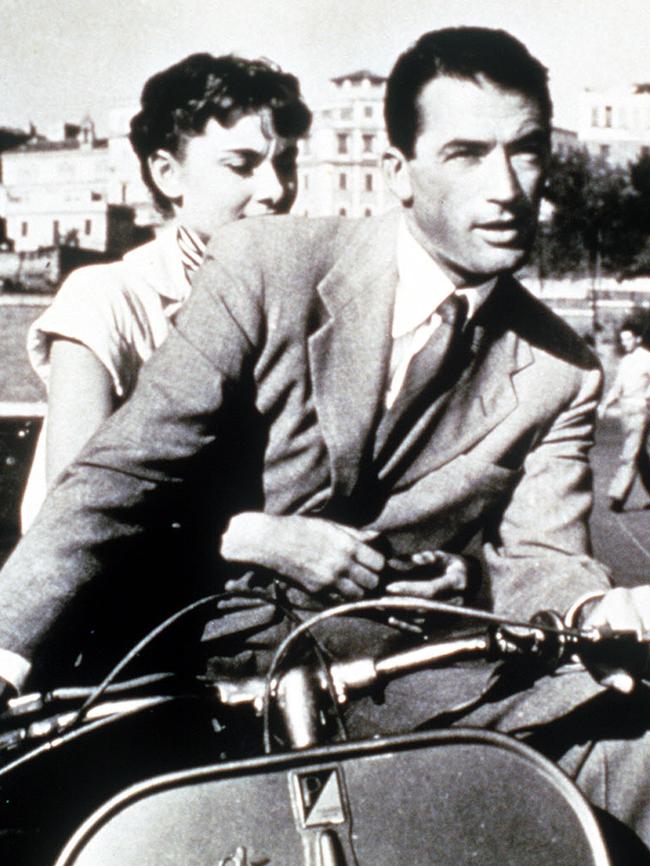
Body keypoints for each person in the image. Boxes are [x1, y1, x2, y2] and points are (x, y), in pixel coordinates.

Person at [2, 26, 650, 849]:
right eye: (466, 153)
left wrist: (604, 606)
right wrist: (4, 649)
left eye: (525, 152)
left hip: (413, 683)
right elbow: (116, 477)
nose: (507, 188)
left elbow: (541, 561)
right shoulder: (268, 266)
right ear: (397, 174)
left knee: (635, 749)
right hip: (193, 670)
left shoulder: (564, 368)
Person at [20, 52, 312, 530]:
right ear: (167, 175)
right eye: (242, 166)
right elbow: (73, 515)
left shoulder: (306, 305)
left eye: (287, 163)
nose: (276, 190)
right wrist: (256, 539)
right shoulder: (106, 299)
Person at [599, 319, 650, 512]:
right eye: (622, 340)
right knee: (640, 456)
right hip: (625, 410)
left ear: (638, 339)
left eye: (628, 339)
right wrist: (605, 403)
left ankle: (617, 497)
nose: (625, 343)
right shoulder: (626, 361)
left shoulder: (647, 358)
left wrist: (648, 395)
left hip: (640, 410)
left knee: (630, 454)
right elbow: (618, 386)